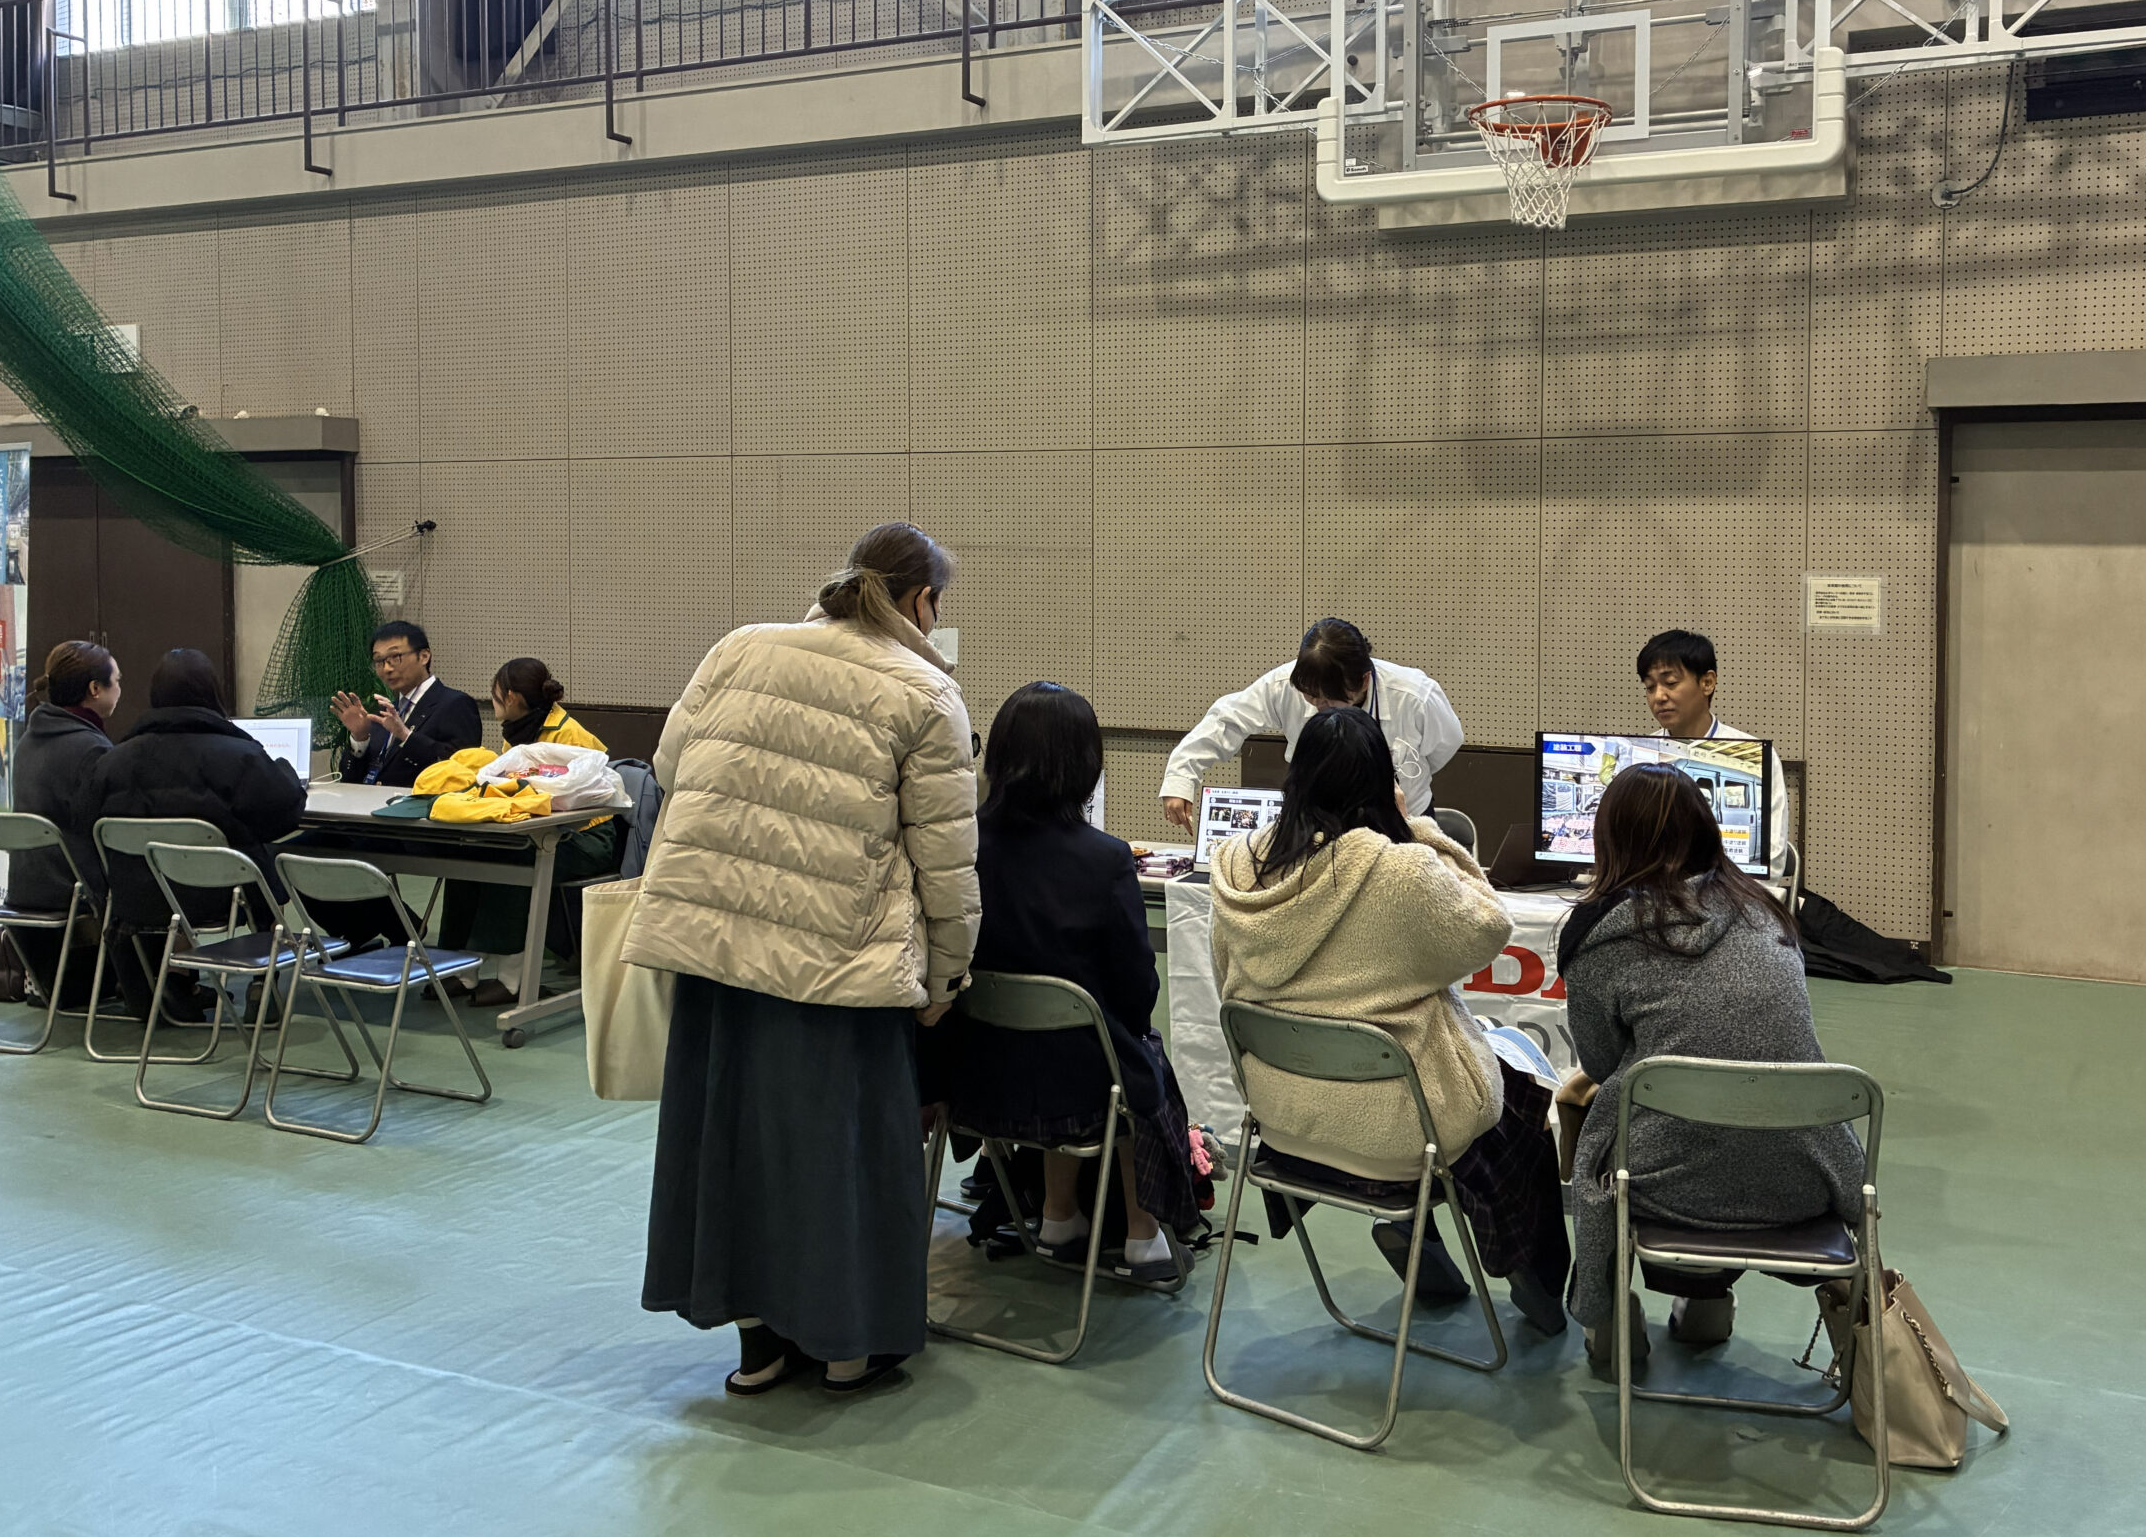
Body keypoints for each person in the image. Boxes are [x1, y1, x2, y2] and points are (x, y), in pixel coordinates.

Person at [636, 523, 979, 1398]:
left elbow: (671, 766)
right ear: (923, 602)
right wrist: (945, 977)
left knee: (730, 1148)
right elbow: (945, 861)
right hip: (842, 960)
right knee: (838, 1158)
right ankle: (846, 1349)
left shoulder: (739, 647)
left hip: (718, 948)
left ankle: (756, 1350)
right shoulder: (926, 691)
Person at [1208, 706, 1569, 1335]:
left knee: (1419, 1089)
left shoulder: (1239, 863)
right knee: (1522, 1108)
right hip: (1400, 1130)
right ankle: (1533, 1283)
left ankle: (1415, 1239)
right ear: (1382, 781)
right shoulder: (1398, 868)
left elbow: (1224, 980)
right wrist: (1414, 828)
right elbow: (1490, 926)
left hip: (1285, 1117)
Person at [1556, 765, 1864, 1379]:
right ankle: (1706, 1307)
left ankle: (1608, 1326)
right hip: (1807, 1178)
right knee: (1718, 1116)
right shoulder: (1770, 917)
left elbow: (1599, 1062)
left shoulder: (1599, 940)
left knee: (1608, 1138)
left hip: (1661, 1185)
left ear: (1609, 839)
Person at [944, 681, 1201, 1284]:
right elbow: (1138, 993)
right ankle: (1143, 1236)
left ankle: (1059, 1216)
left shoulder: (959, 846)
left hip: (974, 1081)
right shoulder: (1106, 859)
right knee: (1134, 1055)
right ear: (1084, 765)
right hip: (1080, 1090)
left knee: (1077, 1043)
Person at [79, 650, 309, 1024]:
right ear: (212, 693)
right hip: (222, 899)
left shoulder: (112, 760)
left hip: (138, 898)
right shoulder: (238, 754)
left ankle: (177, 979)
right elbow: (284, 813)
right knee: (262, 859)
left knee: (179, 872)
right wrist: (284, 770)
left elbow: (87, 824)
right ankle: (263, 982)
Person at [1161, 618, 1464, 837]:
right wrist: (1181, 777)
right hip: (1317, 825)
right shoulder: (1285, 685)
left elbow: (1445, 746)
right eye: (1310, 696)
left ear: (1363, 681)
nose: (1319, 705)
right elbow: (1226, 720)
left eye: (1329, 700)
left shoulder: (1415, 696)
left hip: (1403, 822)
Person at [440, 659, 617, 1008]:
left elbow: (587, 797)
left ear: (510, 697)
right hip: (535, 828)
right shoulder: (518, 731)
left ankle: (512, 979)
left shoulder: (569, 734)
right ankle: (460, 969)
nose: (492, 699)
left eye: (494, 693)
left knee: (515, 859)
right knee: (468, 854)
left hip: (585, 837)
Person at [5, 642, 121, 1008]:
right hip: (73, 903)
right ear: (95, 689)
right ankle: (170, 984)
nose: (121, 688)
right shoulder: (91, 749)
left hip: (24, 897)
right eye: (117, 681)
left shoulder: (28, 740)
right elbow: (109, 831)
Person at [1638, 628, 1791, 863]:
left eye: (1670, 683)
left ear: (1707, 683)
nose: (1658, 696)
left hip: (1730, 885)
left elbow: (1772, 857)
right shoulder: (1641, 756)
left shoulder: (1759, 756)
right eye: (1650, 687)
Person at [330, 621, 482, 786]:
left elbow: (462, 770)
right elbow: (348, 780)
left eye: (395, 657)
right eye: (379, 661)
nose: (387, 668)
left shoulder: (455, 704)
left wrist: (405, 735)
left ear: (423, 656)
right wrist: (360, 738)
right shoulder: (384, 711)